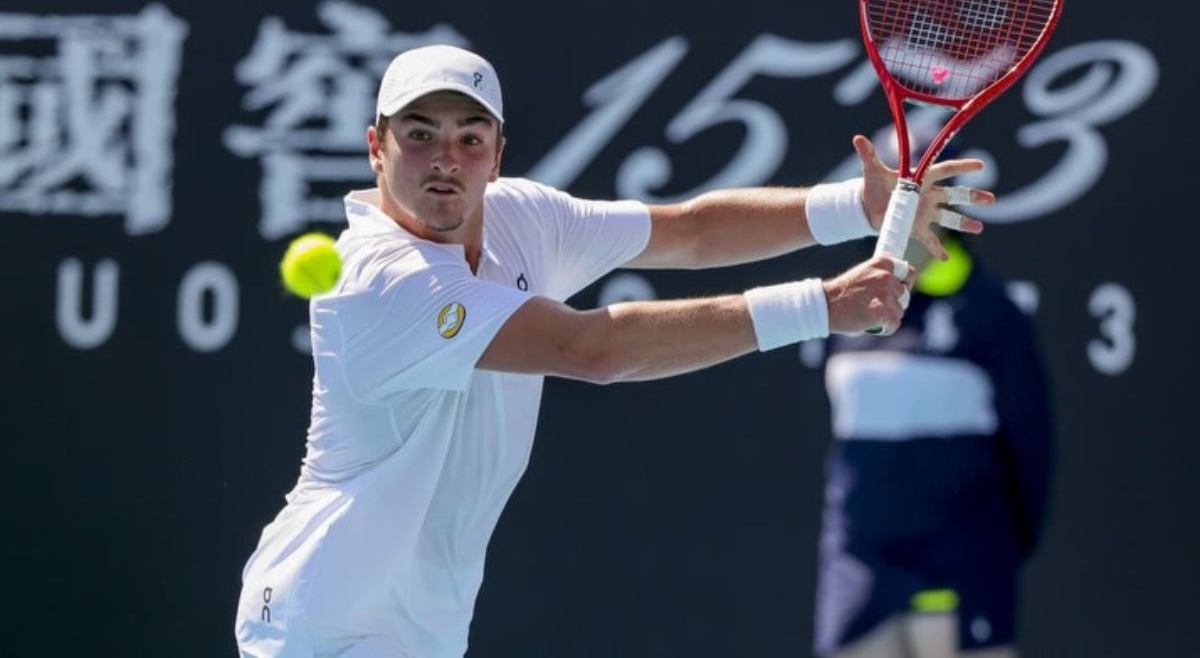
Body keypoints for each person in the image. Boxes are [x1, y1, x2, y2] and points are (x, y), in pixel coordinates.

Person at [234, 44, 993, 658]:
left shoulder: (522, 217)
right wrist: (818, 306)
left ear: (497, 156)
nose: (445, 158)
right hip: (321, 622)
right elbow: (591, 348)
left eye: (470, 138)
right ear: (377, 147)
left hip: (422, 629)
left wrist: (852, 206)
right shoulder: (382, 280)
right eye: (420, 133)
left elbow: (689, 231)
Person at [813, 226, 1054, 658]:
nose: (904, 209)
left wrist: (998, 553)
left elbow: (1032, 445)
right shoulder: (850, 308)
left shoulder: (990, 311)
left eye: (923, 194)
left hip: (960, 564)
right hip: (859, 565)